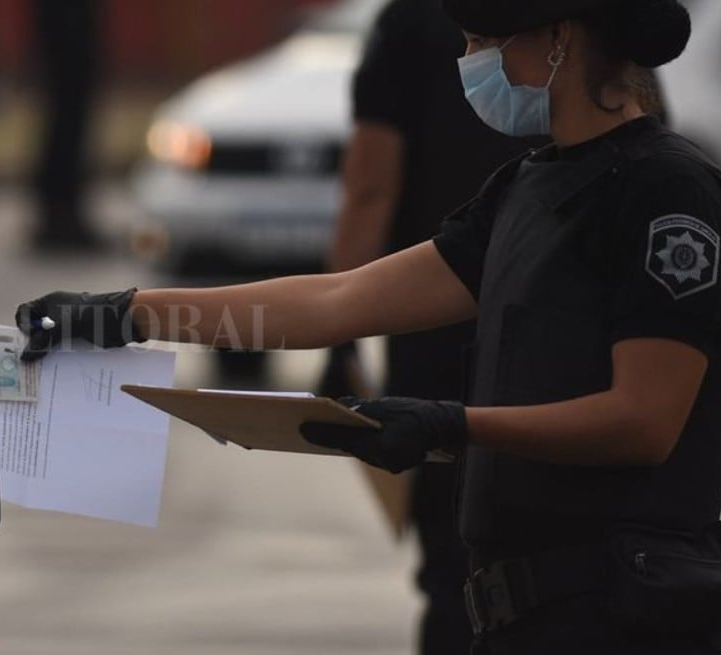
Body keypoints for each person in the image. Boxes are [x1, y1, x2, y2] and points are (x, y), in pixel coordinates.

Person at [14, 0, 721, 653]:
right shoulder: (528, 188)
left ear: (558, 38)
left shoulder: (670, 195)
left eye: (483, 41)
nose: (469, 62)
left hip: (628, 623)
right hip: (519, 622)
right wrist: (126, 311)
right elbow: (337, 300)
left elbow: (642, 421)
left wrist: (450, 424)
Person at [316, 0, 547, 652]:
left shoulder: (410, 23)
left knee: (455, 569)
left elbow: (370, 186)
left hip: (435, 330)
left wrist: (341, 339)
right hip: (559, 338)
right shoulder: (603, 29)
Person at [27, 0, 106, 252]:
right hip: (66, 20)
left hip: (68, 20)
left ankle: (62, 208)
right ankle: (60, 211)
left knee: (70, 112)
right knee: (68, 111)